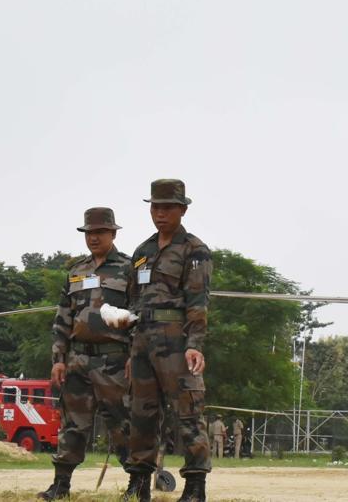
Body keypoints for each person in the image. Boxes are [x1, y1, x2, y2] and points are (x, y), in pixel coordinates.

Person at [123, 179, 212, 502]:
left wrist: (194, 344)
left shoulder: (194, 249)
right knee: (141, 413)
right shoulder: (142, 252)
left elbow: (198, 302)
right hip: (143, 341)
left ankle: (195, 486)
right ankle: (138, 485)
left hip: (177, 341)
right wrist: (133, 349)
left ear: (182, 209)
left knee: (187, 411)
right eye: (155, 207)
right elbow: (134, 303)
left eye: (168, 207)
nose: (160, 213)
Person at [38, 208, 135, 500]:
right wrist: (58, 360)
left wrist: (135, 355)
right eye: (89, 233)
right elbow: (62, 319)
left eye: (99, 232)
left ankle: (137, 483)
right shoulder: (76, 271)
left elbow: (139, 315)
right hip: (78, 360)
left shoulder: (129, 269)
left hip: (115, 360)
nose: (93, 238)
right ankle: (61, 485)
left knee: (123, 423)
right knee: (72, 425)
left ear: (113, 233)